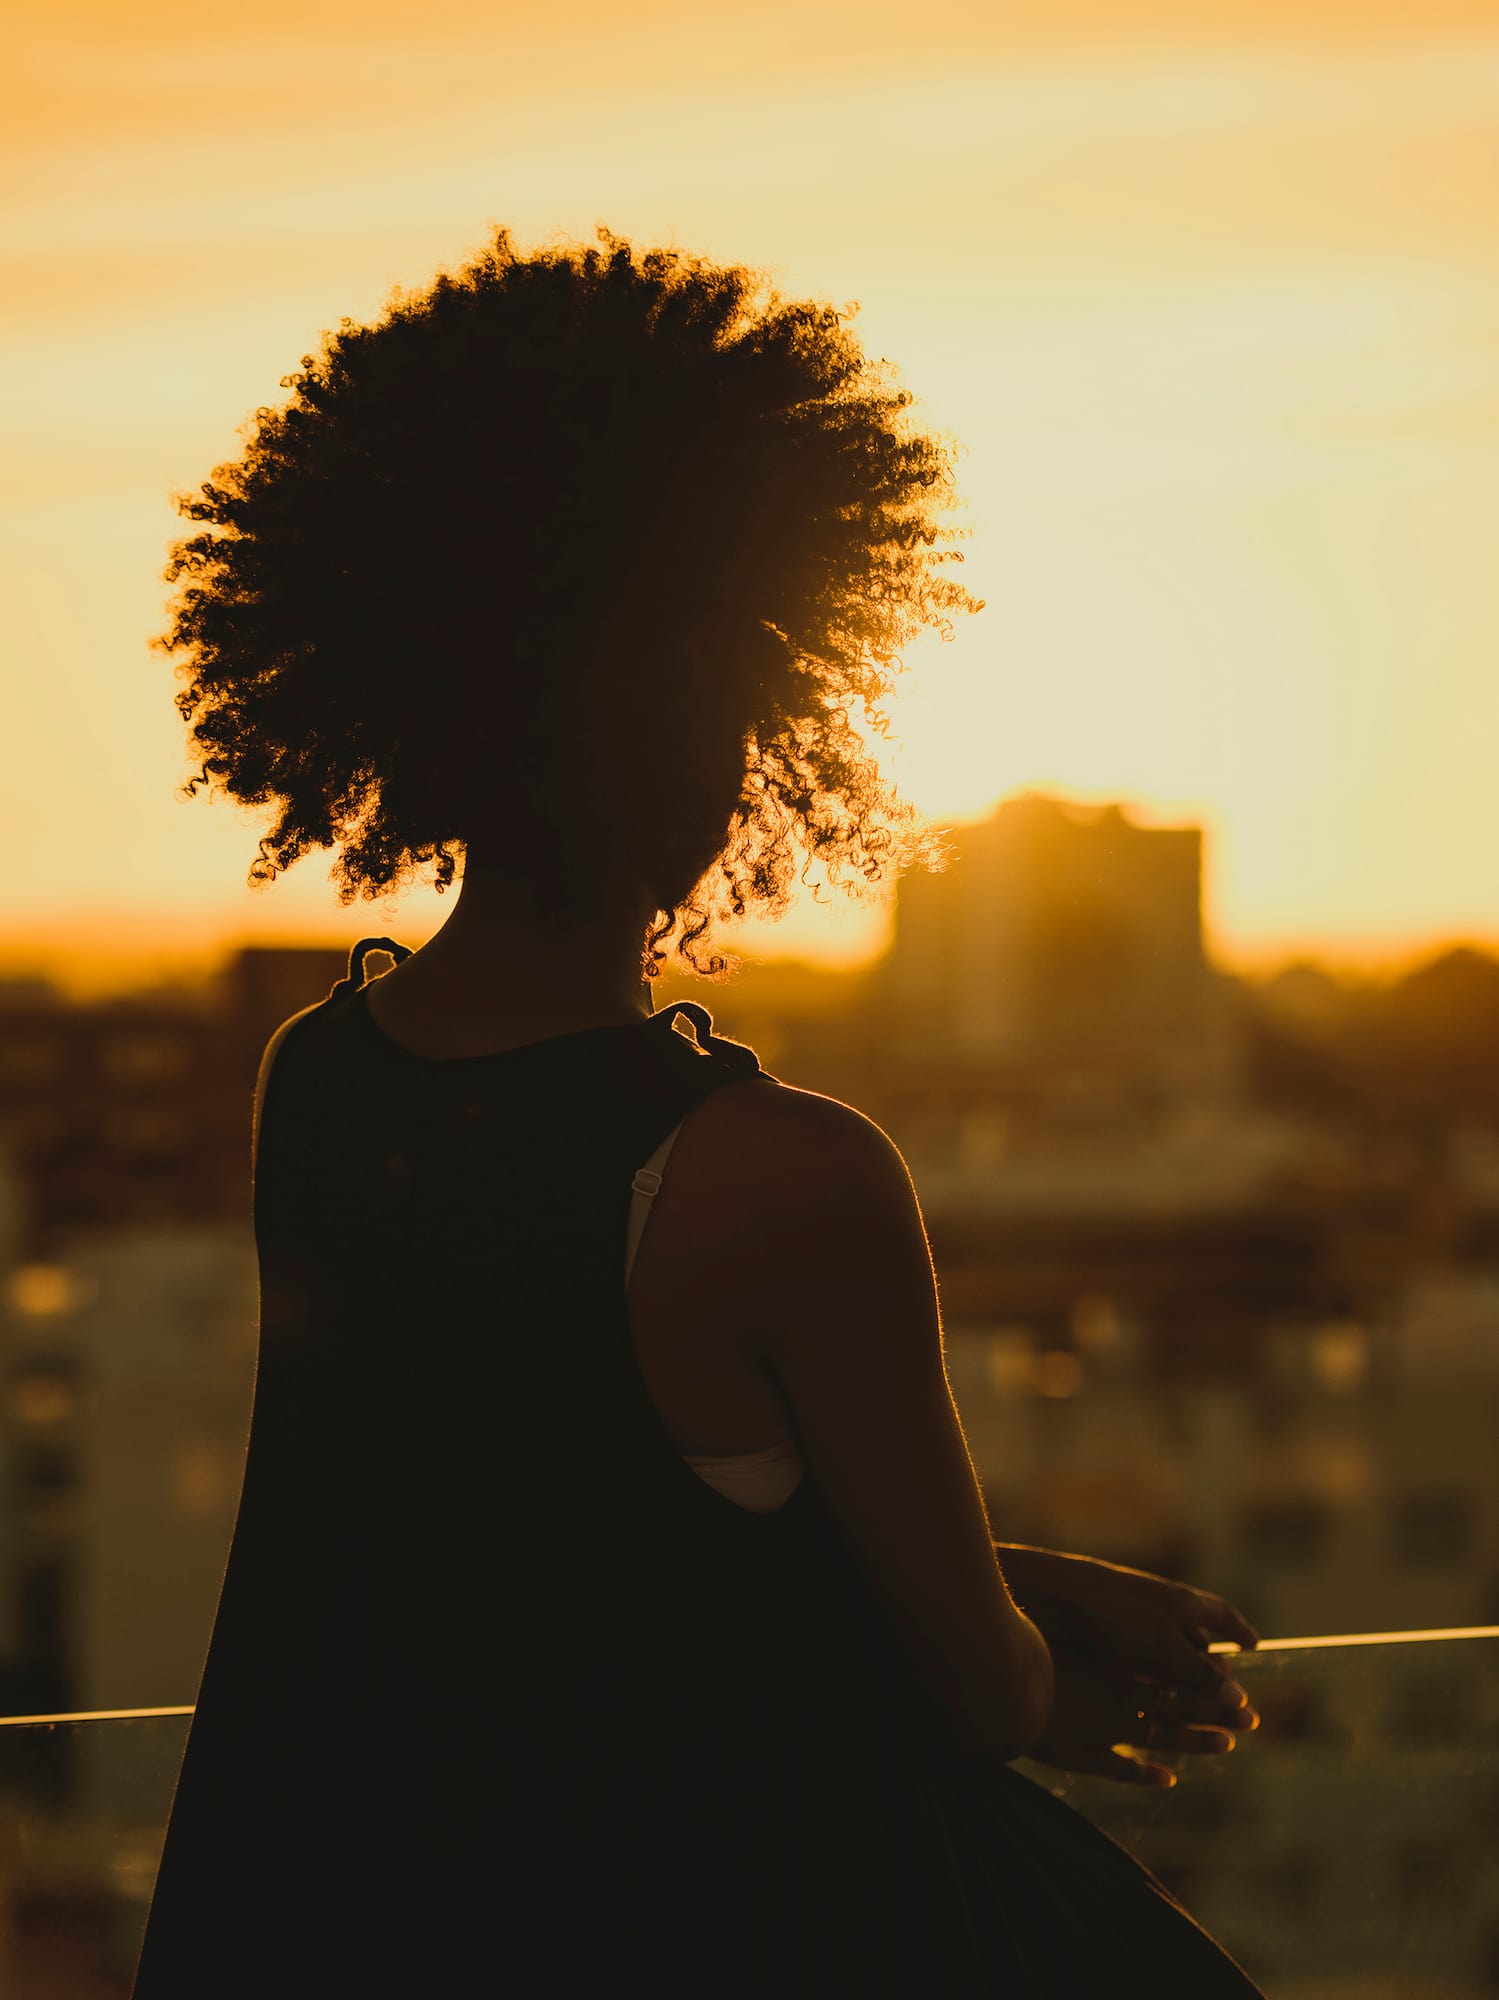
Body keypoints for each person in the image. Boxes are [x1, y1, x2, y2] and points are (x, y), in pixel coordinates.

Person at [132, 225, 1264, 1997]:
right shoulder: (780, 1174)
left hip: (390, 1913)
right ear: (749, 745)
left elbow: (539, 1536)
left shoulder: (320, 1078)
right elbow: (980, 1696)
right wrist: (1041, 1646)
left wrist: (990, 1569)